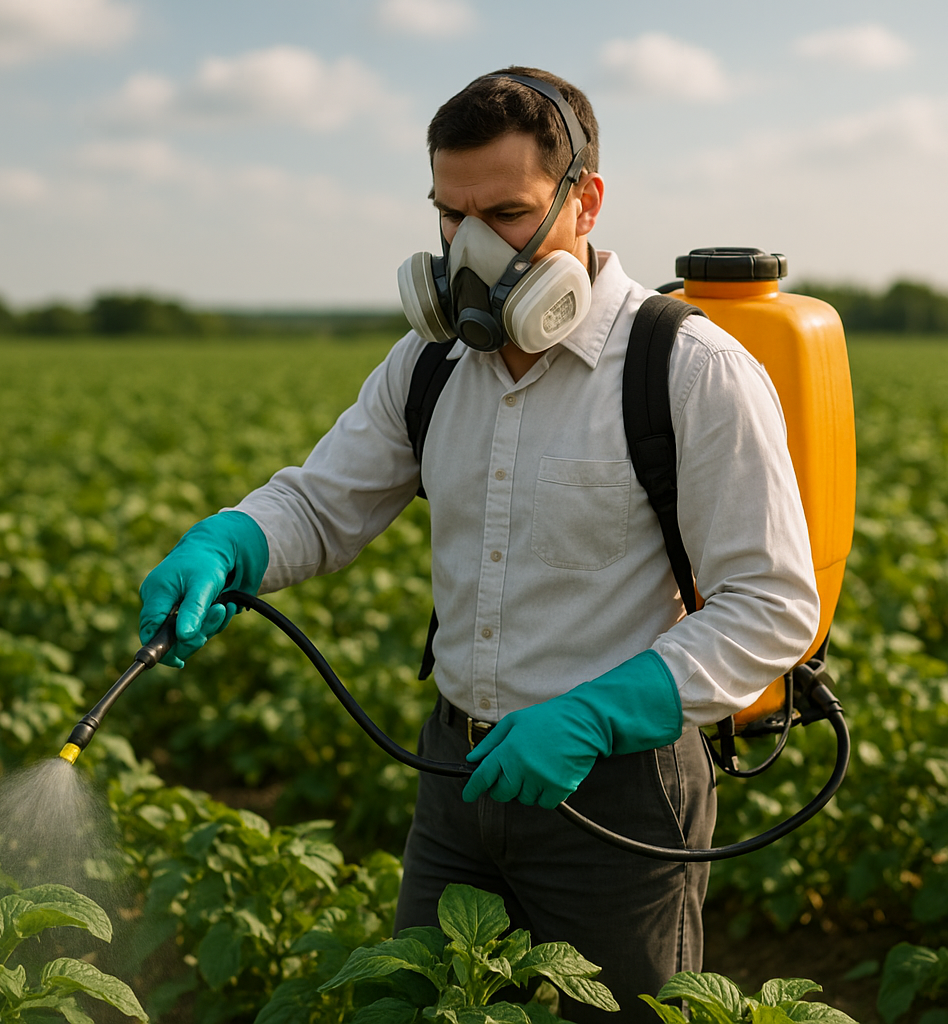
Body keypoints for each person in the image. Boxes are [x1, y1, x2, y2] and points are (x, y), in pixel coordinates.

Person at [139, 67, 820, 1022]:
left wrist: (594, 715)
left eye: (505, 212)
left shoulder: (689, 369)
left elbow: (774, 605)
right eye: (448, 216)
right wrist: (231, 543)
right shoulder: (431, 361)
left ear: (583, 201)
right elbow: (324, 502)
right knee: (419, 1007)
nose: (469, 250)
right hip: (455, 779)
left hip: (614, 796)